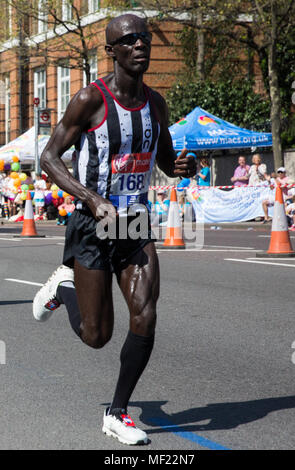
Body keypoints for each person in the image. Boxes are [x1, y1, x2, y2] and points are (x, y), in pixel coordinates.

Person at [32, 14, 196, 446]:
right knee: (96, 336)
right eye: (131, 39)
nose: (141, 45)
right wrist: (90, 198)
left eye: (145, 38)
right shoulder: (90, 99)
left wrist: (180, 167)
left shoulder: (156, 104)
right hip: (92, 221)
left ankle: (118, 412)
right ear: (112, 51)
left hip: (136, 220)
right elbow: (48, 158)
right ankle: (62, 288)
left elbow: (164, 159)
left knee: (145, 313)